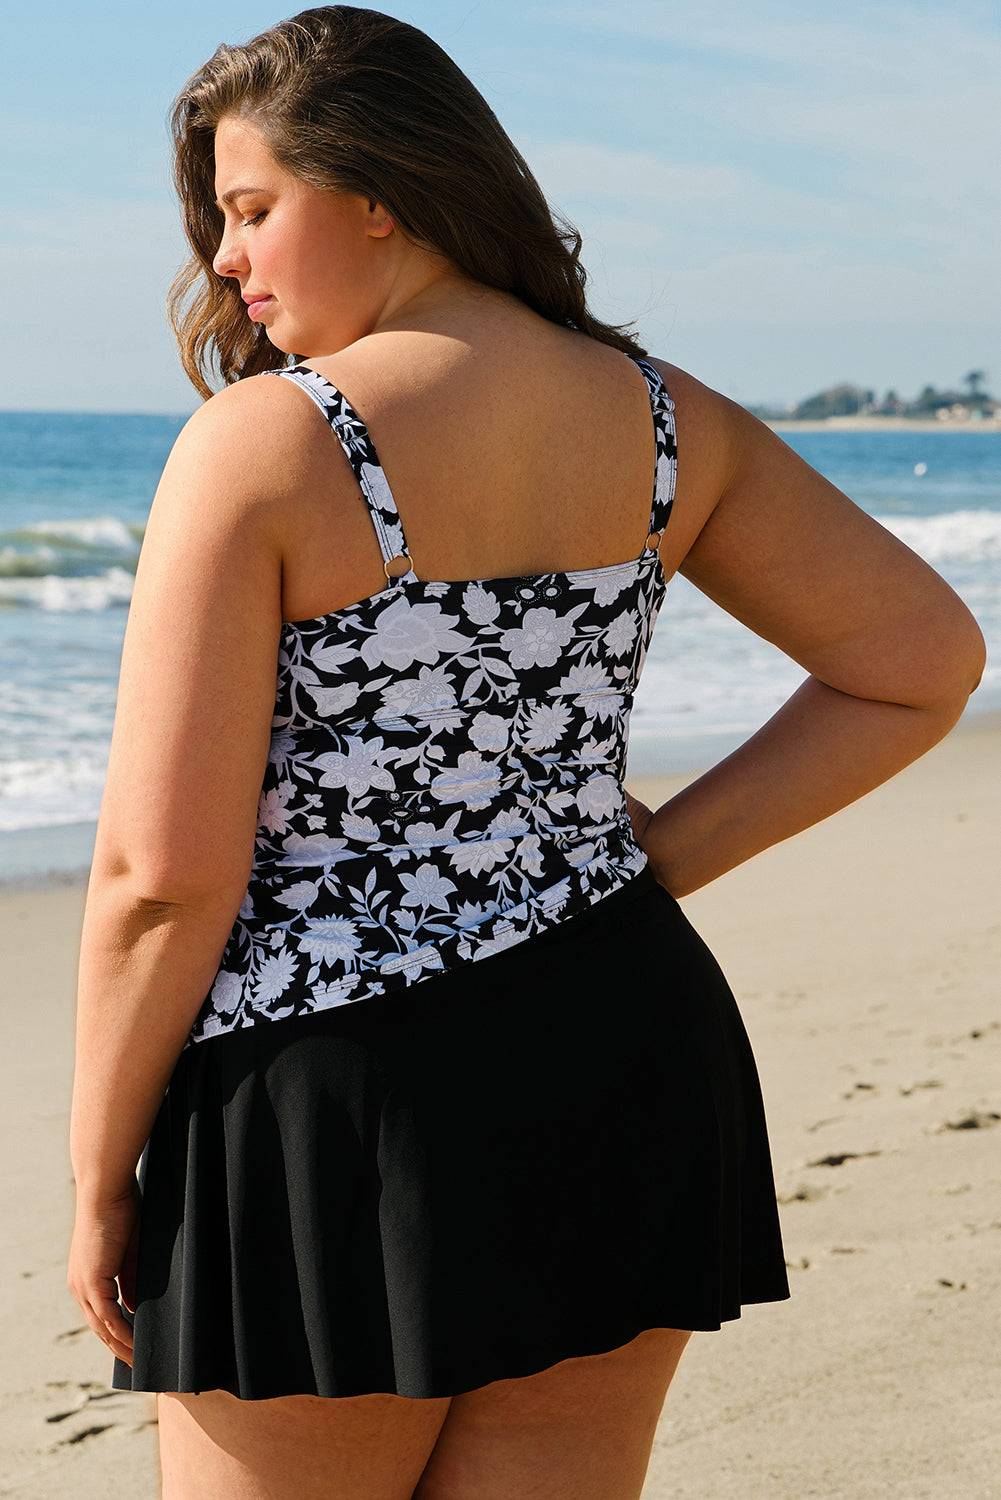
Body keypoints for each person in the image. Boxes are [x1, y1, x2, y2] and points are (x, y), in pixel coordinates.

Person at [66, 7, 986, 1499]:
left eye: (250, 211)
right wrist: (642, 865)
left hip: (327, 1090)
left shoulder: (270, 445)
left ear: (379, 190)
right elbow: (917, 666)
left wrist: (99, 1173)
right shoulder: (664, 420)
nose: (226, 261)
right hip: (618, 1039)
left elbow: (160, 877)